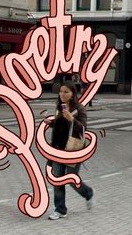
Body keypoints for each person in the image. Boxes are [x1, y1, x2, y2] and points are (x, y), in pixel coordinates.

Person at [44, 80, 95, 220]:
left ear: (73, 93)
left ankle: (88, 193)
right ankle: (60, 210)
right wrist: (52, 123)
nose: (63, 94)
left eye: (66, 92)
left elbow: (84, 128)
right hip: (57, 148)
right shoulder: (59, 106)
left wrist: (72, 118)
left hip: (73, 150)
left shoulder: (80, 108)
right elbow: (60, 124)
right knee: (58, 180)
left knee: (72, 180)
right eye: (61, 91)